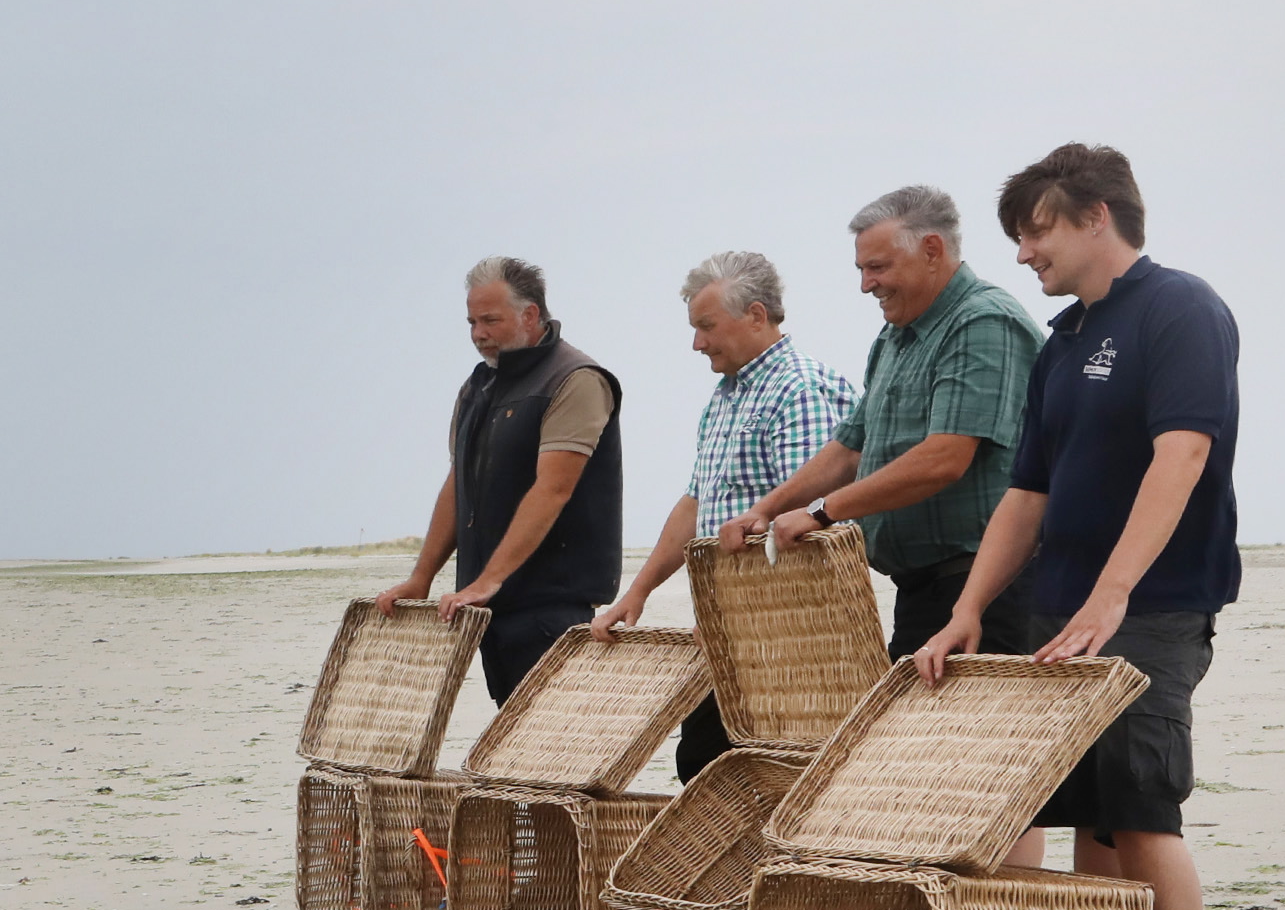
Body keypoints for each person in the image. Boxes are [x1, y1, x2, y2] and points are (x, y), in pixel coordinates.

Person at [911, 144, 1238, 910]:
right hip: (1060, 609)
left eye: (1038, 229)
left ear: (1097, 215)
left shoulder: (1182, 310)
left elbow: (1180, 457)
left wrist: (1115, 594)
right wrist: (970, 610)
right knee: (1083, 817)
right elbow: (1026, 496)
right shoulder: (1061, 342)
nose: (1024, 253)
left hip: (1155, 607)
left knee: (1139, 815)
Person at [723, 186, 1041, 657]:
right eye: (862, 269)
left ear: (932, 250)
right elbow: (850, 448)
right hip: (923, 593)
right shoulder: (895, 337)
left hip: (988, 594)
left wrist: (821, 513)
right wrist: (764, 510)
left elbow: (945, 458)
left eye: (878, 267)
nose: (866, 285)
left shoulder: (983, 321)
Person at [591, 251, 857, 778]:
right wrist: (638, 592)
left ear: (756, 316)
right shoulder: (724, 397)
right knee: (703, 768)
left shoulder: (800, 389)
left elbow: (811, 529)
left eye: (706, 326)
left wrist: (739, 617)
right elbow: (695, 504)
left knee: (763, 778)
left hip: (789, 644)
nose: (697, 343)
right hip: (729, 638)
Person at [373, 257, 623, 700]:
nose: (477, 334)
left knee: (556, 754)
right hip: (491, 613)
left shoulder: (577, 379)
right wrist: (422, 579)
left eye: (490, 320)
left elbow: (553, 489)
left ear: (530, 315)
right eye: (471, 321)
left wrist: (490, 580)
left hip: (553, 611)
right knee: (515, 763)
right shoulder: (477, 387)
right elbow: (458, 485)